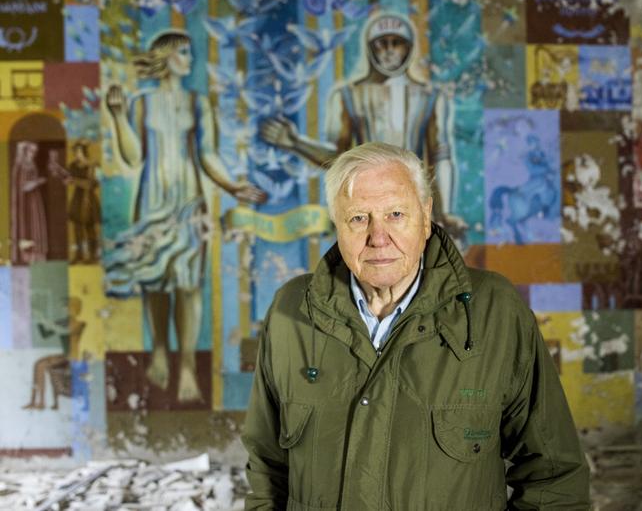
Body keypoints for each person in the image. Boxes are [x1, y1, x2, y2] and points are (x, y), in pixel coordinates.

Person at [241, 142, 589, 509]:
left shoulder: (495, 311)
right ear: (337, 226)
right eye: (359, 218)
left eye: (395, 214)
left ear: (425, 217)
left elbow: (553, 477)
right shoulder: (290, 312)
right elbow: (266, 471)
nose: (378, 237)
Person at [105, 28, 267, 403]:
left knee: (189, 283)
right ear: (164, 57)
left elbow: (207, 154)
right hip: (151, 200)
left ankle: (189, 365)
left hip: (189, 203)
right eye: (182, 52)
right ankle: (161, 348)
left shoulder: (198, 103)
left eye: (190, 52)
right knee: (155, 279)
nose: (189, 59)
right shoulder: (141, 103)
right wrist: (116, 117)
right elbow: (132, 157)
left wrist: (231, 186)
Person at [259, 12, 467, 239]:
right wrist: (296, 144)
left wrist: (444, 212)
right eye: (381, 43)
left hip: (410, 204)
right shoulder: (347, 95)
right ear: (370, 48)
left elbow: (440, 155)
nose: (388, 49)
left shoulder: (431, 97)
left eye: (396, 43)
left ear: (408, 48)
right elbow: (338, 158)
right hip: (363, 204)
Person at [11, 140, 48, 264]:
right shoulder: (21, 166)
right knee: (28, 229)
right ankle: (28, 256)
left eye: (35, 151)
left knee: (37, 226)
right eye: (31, 151)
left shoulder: (31, 164)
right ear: (26, 151)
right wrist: (38, 181)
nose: (34, 154)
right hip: (26, 205)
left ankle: (36, 256)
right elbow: (23, 187)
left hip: (34, 202)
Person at [65, 140, 101, 263]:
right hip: (77, 198)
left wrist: (75, 181)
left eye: (79, 151)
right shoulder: (73, 166)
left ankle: (93, 256)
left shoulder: (93, 166)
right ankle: (79, 255)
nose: (77, 154)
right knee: (77, 229)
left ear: (84, 151)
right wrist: (69, 181)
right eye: (75, 151)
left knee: (90, 228)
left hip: (89, 199)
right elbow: (67, 179)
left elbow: (93, 184)